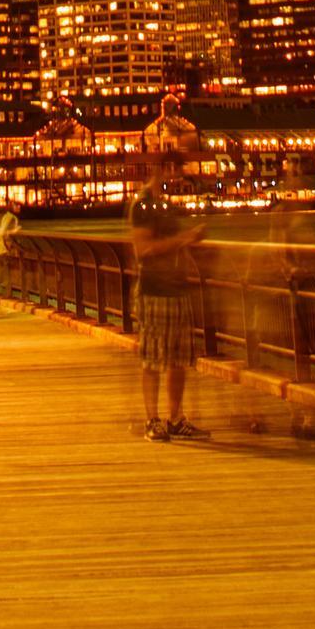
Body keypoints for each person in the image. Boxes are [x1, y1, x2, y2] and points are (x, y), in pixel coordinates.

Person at [128, 180, 208, 444]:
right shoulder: (143, 206)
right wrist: (184, 239)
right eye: (169, 168)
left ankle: (175, 419)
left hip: (177, 290)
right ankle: (152, 420)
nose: (175, 175)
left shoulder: (167, 207)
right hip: (154, 292)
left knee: (178, 358)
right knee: (152, 358)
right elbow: (143, 250)